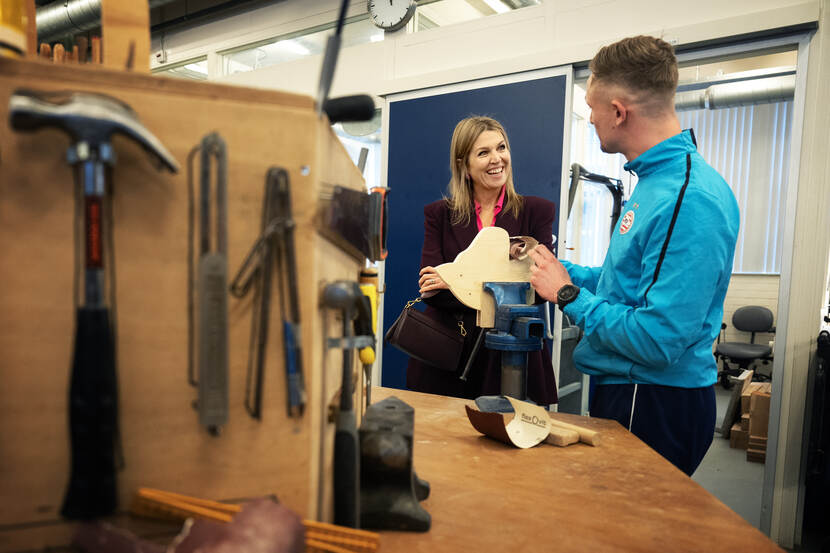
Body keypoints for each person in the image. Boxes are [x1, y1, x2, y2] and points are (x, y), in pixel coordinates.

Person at [528, 35, 740, 476]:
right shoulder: (655, 183)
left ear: (619, 111)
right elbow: (623, 283)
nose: (590, 118)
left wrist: (567, 295)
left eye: (592, 107)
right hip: (630, 388)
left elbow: (657, 340)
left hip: (654, 398)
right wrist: (562, 271)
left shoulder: (689, 197)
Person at [407, 115, 558, 405]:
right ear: (464, 164)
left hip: (510, 353)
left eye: (501, 148)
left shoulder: (536, 212)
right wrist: (502, 280)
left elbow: (538, 291)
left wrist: (457, 279)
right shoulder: (439, 215)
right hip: (449, 353)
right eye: (483, 152)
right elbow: (432, 292)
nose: (497, 159)